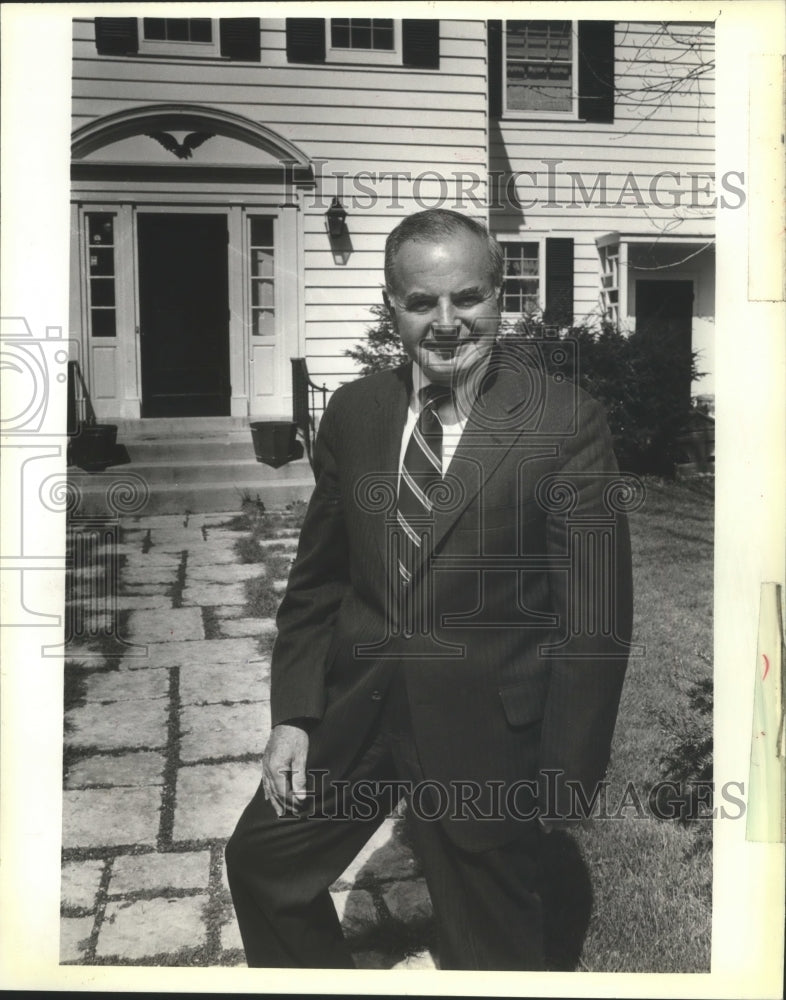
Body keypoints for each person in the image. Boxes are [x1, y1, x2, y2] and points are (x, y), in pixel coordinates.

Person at [226, 208, 634, 970]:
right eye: (422, 303)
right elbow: (319, 581)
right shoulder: (356, 413)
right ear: (393, 306)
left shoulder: (564, 421)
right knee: (263, 865)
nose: (447, 323)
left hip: (486, 728)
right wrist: (294, 714)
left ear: (500, 296)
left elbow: (595, 619)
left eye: (468, 298)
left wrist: (565, 774)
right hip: (361, 711)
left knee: (491, 944)